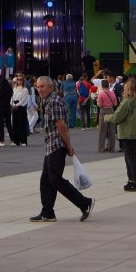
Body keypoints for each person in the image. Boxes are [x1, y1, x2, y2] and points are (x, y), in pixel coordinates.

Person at [29, 76, 95, 223]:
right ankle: (47, 212)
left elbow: (62, 126)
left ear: (51, 87)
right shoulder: (48, 101)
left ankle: (85, 203)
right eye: (38, 87)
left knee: (55, 179)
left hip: (57, 145)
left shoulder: (54, 101)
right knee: (46, 180)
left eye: (43, 86)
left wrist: (69, 146)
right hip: (51, 146)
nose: (39, 89)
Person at [104, 78, 136, 191]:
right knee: (131, 156)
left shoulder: (127, 101)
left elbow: (117, 116)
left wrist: (106, 117)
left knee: (130, 158)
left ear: (128, 89)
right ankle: (131, 181)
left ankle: (135, 182)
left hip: (128, 132)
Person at [96, 80, 117, 152]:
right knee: (112, 130)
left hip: (103, 111)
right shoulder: (112, 93)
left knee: (102, 131)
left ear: (102, 86)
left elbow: (99, 105)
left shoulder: (101, 94)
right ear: (108, 85)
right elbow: (115, 104)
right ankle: (111, 147)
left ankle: (101, 148)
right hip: (111, 111)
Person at [11, 76, 30, 146]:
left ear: (23, 81)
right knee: (15, 124)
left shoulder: (25, 89)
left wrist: (17, 105)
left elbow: (24, 100)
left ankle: (23, 141)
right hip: (14, 107)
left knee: (21, 124)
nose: (19, 81)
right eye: (18, 79)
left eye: (21, 80)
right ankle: (16, 141)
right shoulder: (14, 88)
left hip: (21, 107)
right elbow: (12, 98)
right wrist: (12, 104)